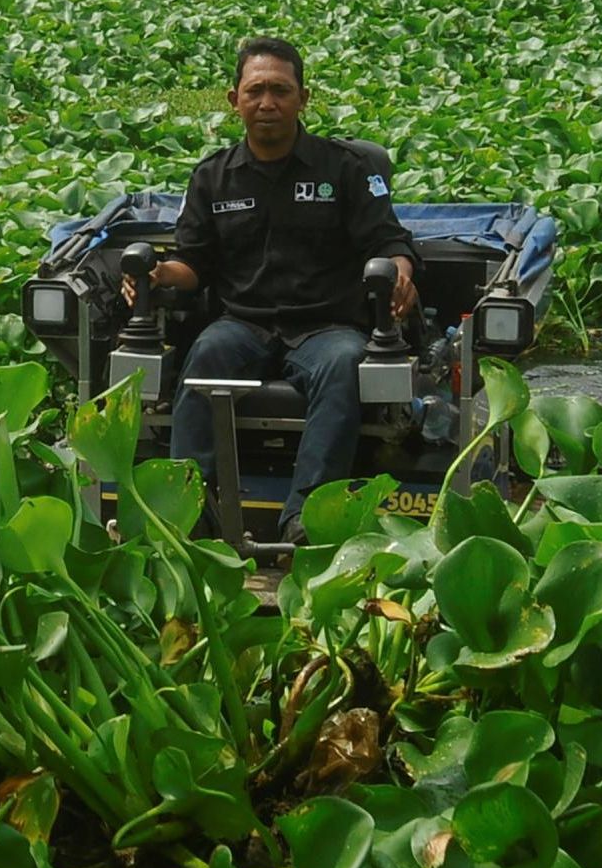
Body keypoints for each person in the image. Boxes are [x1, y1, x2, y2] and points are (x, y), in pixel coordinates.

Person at [121, 36, 418, 542]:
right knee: (204, 357)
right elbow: (192, 264)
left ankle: (306, 519)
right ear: (233, 99)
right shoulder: (213, 177)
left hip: (327, 327)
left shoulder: (346, 169)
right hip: (243, 325)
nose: (267, 103)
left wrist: (401, 271)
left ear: (304, 98)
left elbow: (391, 241)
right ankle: (189, 512)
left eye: (280, 90)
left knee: (346, 363)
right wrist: (156, 276)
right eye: (255, 91)